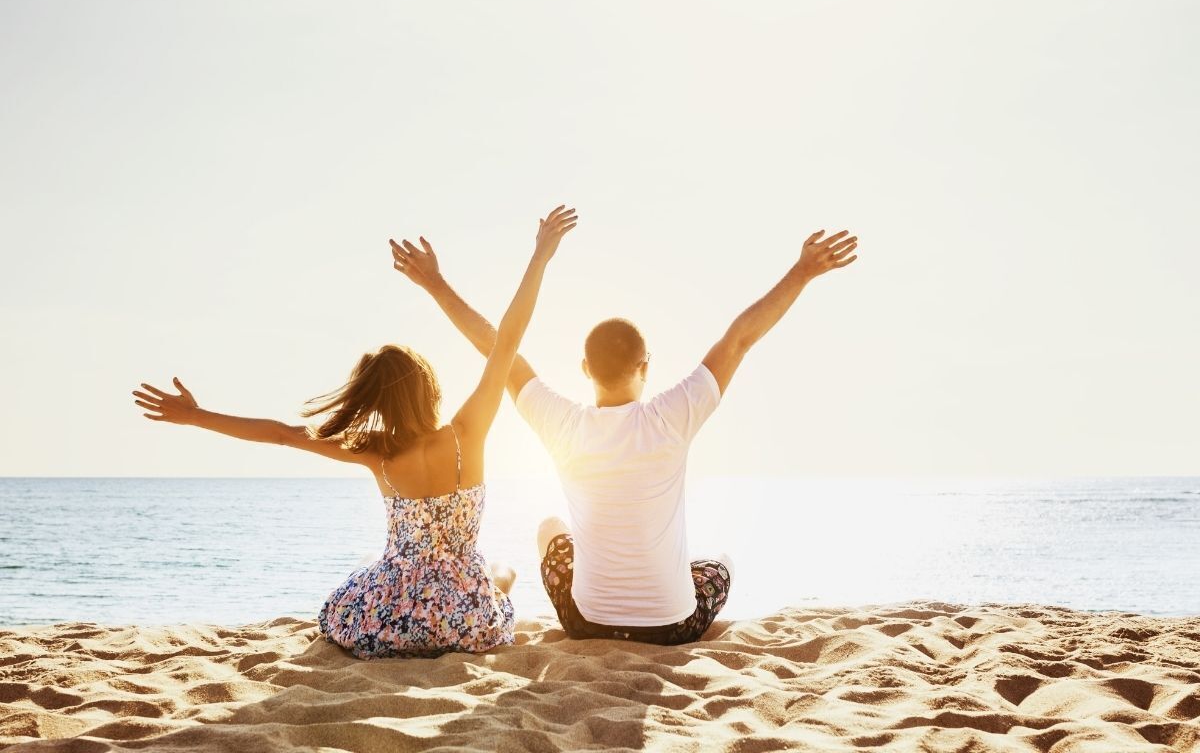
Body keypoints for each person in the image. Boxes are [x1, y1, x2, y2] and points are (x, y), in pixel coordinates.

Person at [132, 205, 579, 658]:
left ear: (375, 402)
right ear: (429, 387)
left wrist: (197, 416)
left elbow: (282, 434)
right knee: (498, 571)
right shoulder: (468, 432)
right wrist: (537, 256)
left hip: (390, 621)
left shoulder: (374, 450)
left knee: (370, 567)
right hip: (462, 621)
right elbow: (507, 339)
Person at [391, 225, 858, 644]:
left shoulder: (562, 423)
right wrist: (802, 271)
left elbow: (495, 346)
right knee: (719, 564)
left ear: (584, 369)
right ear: (645, 367)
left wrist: (435, 282)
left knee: (550, 529)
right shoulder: (674, 415)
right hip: (674, 629)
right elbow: (738, 338)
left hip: (585, 623)